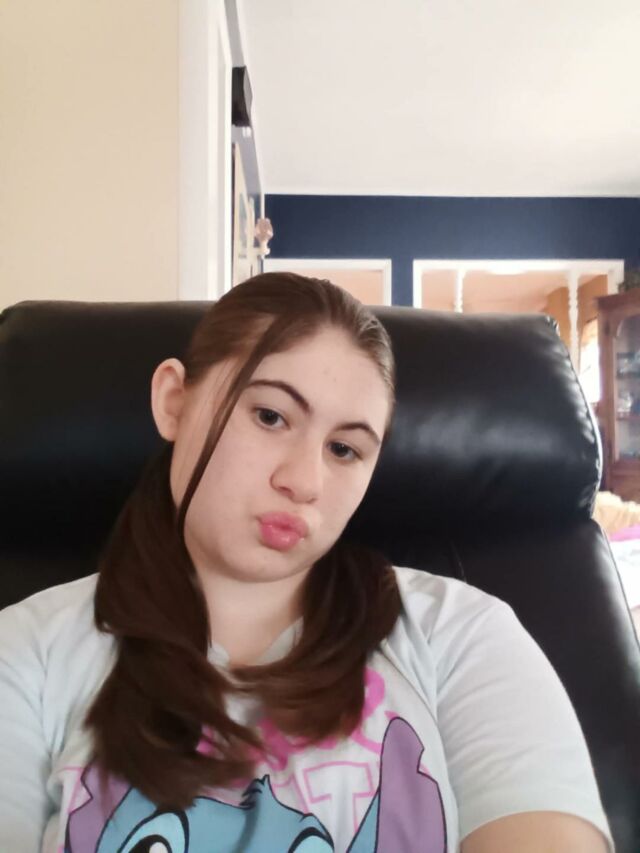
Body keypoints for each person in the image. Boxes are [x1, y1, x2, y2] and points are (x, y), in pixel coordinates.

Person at [0, 273, 614, 852]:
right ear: (174, 402)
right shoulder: (27, 653)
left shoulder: (460, 635)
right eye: (270, 416)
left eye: (344, 449)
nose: (304, 481)